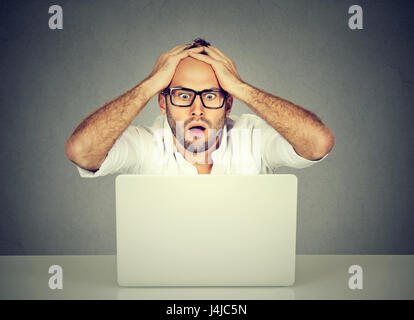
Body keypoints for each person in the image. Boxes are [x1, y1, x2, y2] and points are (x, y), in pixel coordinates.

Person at [65, 38, 335, 176]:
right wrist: (149, 85)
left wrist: (242, 88)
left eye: (210, 95)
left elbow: (318, 143)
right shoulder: (146, 145)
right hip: (164, 279)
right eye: (183, 95)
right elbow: (81, 151)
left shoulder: (252, 138)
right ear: (163, 102)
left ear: (228, 104)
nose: (197, 109)